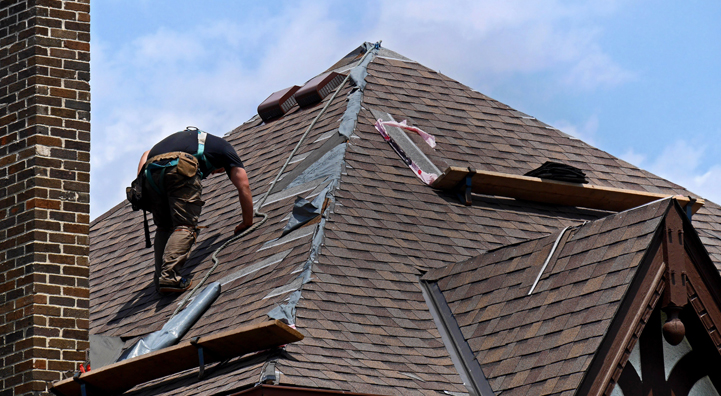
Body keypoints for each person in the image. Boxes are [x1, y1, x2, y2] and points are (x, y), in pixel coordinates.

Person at [136, 127, 253, 293]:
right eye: (218, 170)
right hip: (177, 166)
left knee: (164, 227)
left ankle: (160, 280)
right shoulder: (226, 149)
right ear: (223, 164)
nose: (212, 173)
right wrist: (247, 222)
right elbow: (244, 185)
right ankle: (168, 277)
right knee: (185, 225)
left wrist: (140, 182)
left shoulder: (188, 140)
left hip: (151, 172)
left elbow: (147, 153)